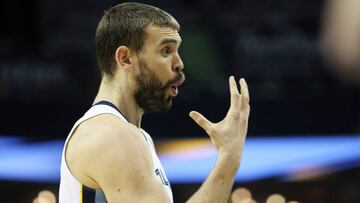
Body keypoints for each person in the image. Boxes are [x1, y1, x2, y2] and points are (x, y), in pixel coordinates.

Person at [59, 2, 250, 203]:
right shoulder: (113, 136)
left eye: (177, 51)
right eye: (166, 51)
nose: (179, 63)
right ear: (125, 58)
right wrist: (229, 159)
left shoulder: (125, 133)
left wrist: (229, 156)